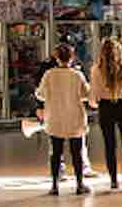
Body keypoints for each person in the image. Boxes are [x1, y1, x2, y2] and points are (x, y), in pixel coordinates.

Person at [36, 44, 92, 197]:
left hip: (55, 118)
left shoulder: (49, 74)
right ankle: (80, 184)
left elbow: (40, 94)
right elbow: (86, 94)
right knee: (77, 152)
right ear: (72, 57)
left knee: (56, 152)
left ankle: (54, 185)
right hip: (75, 118)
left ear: (56, 57)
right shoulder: (77, 75)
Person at [89, 38, 122, 191]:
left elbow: (94, 92)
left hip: (105, 107)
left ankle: (113, 181)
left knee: (109, 145)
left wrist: (93, 103)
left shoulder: (96, 70)